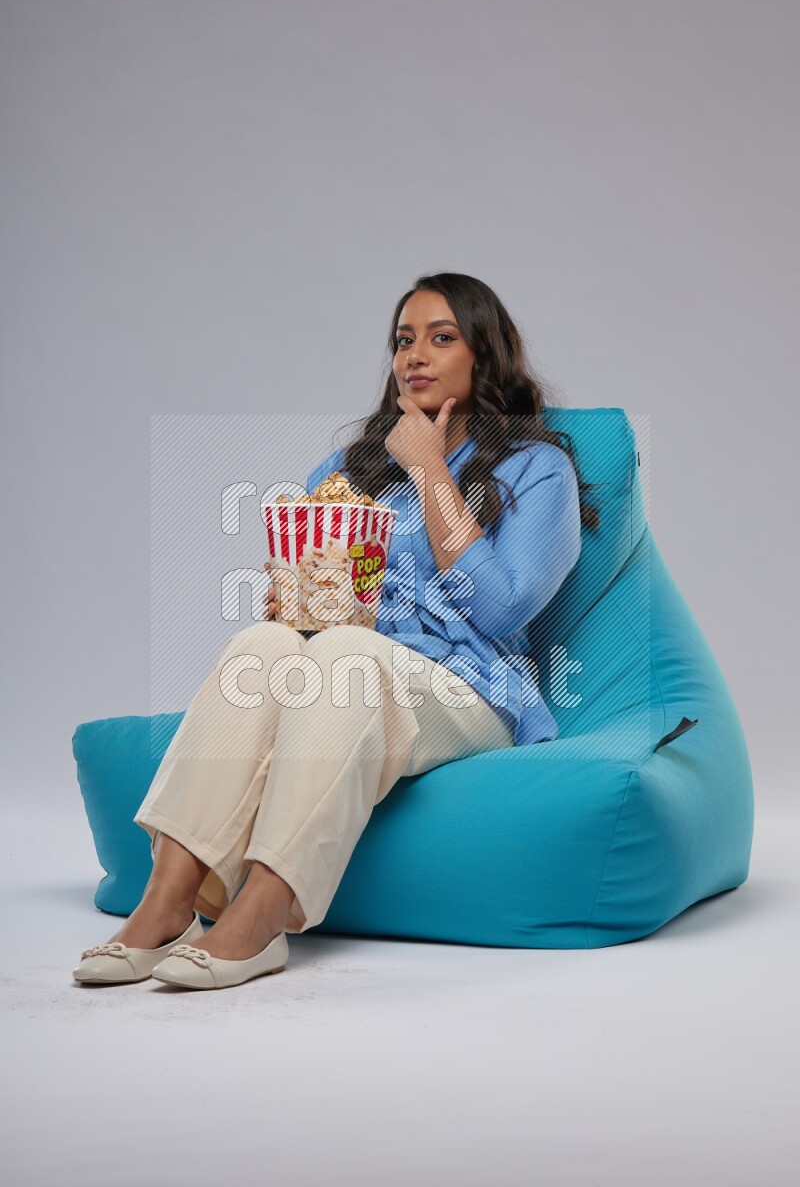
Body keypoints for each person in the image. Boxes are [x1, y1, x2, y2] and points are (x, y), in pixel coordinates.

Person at [73, 271, 598, 992]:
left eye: (441, 338)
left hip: (470, 688)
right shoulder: (349, 469)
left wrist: (431, 472)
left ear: (485, 355)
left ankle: (263, 911)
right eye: (403, 340)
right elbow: (315, 594)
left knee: (348, 652)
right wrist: (293, 599)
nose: (414, 355)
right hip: (341, 671)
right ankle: (167, 898)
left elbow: (502, 605)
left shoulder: (537, 469)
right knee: (260, 647)